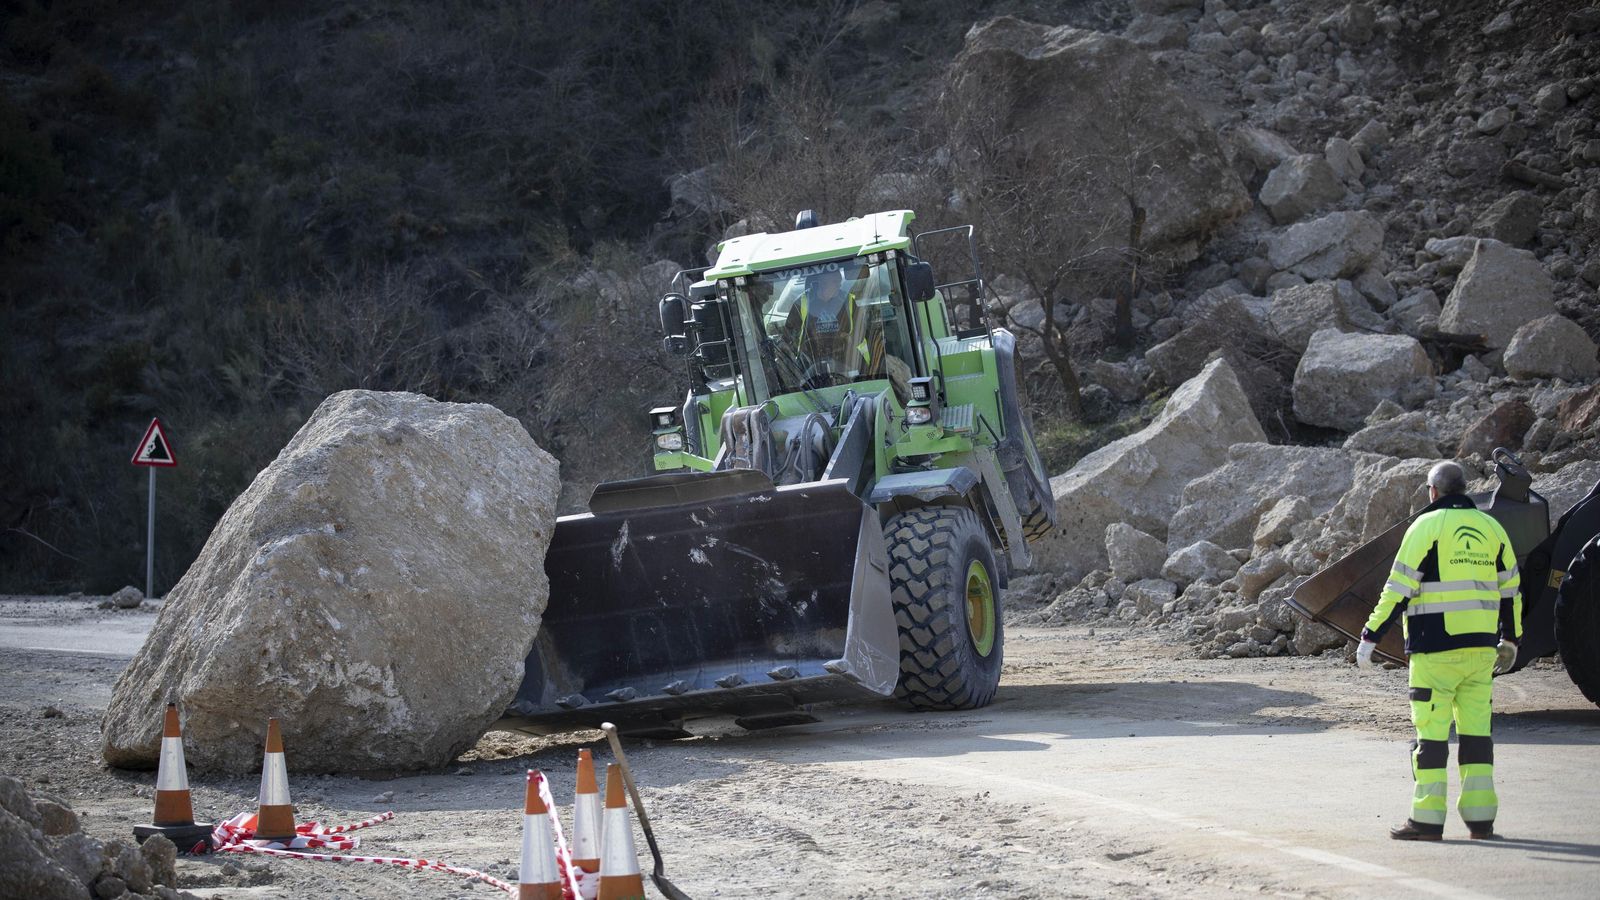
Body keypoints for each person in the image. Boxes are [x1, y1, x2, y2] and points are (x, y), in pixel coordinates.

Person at [1356, 460, 1522, 841]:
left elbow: (1397, 588)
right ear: (1464, 489)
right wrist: (1511, 640)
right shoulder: (1492, 529)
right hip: (1482, 654)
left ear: (1433, 492)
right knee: (1477, 737)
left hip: (1435, 652)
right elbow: (1512, 591)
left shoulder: (1426, 527)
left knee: (1430, 740)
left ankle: (1427, 821)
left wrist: (1370, 636)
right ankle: (1481, 821)